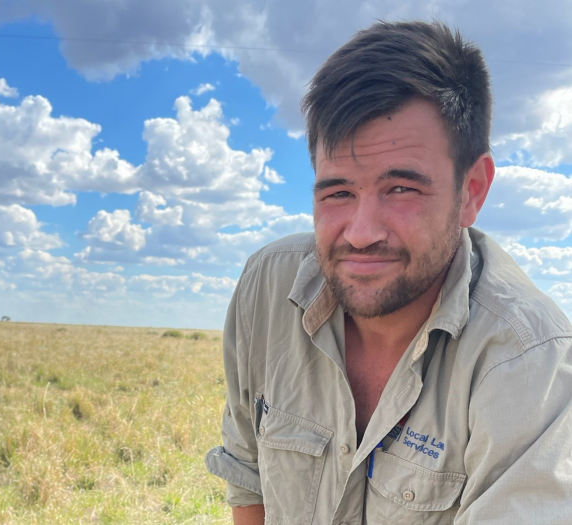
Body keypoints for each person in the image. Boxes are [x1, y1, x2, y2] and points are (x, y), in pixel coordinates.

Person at [205, 19, 572, 525]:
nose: (360, 232)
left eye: (401, 189)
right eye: (338, 192)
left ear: (472, 191)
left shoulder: (528, 359)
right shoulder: (268, 286)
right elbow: (247, 474)